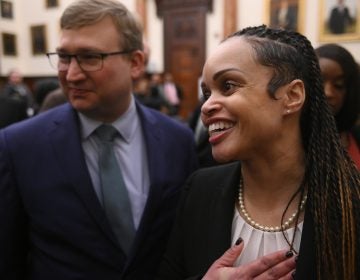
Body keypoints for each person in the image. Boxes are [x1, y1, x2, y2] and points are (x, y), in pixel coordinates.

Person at [0, 0, 198, 279]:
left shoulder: (177, 140)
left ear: (135, 63)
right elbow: (8, 260)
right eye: (64, 57)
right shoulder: (18, 146)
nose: (71, 74)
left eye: (90, 57)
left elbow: (186, 244)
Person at [158, 25, 360, 279]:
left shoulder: (350, 203)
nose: (207, 106)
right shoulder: (199, 190)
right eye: (207, 93)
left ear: (291, 96)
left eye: (228, 86)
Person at [315, 43, 360, 169]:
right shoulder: (289, 138)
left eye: (339, 85)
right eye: (320, 81)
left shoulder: (356, 136)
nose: (328, 92)